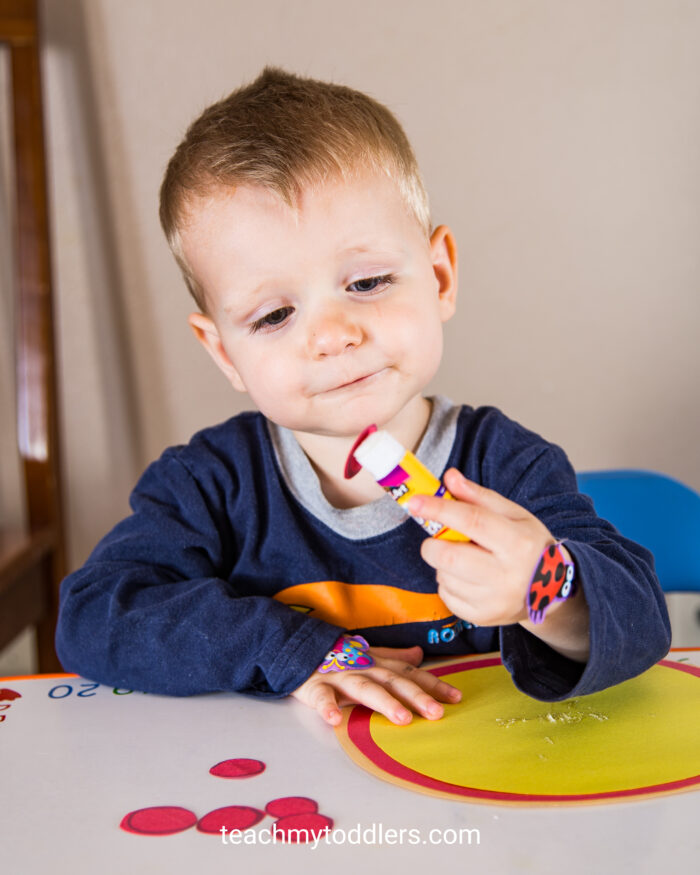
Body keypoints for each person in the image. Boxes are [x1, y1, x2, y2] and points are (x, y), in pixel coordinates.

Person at [56, 68, 670, 727]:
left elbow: (642, 621)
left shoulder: (505, 464)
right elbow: (94, 615)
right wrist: (289, 646)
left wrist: (544, 589)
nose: (332, 335)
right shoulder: (208, 483)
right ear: (224, 352)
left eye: (368, 281)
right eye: (273, 316)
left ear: (438, 277)